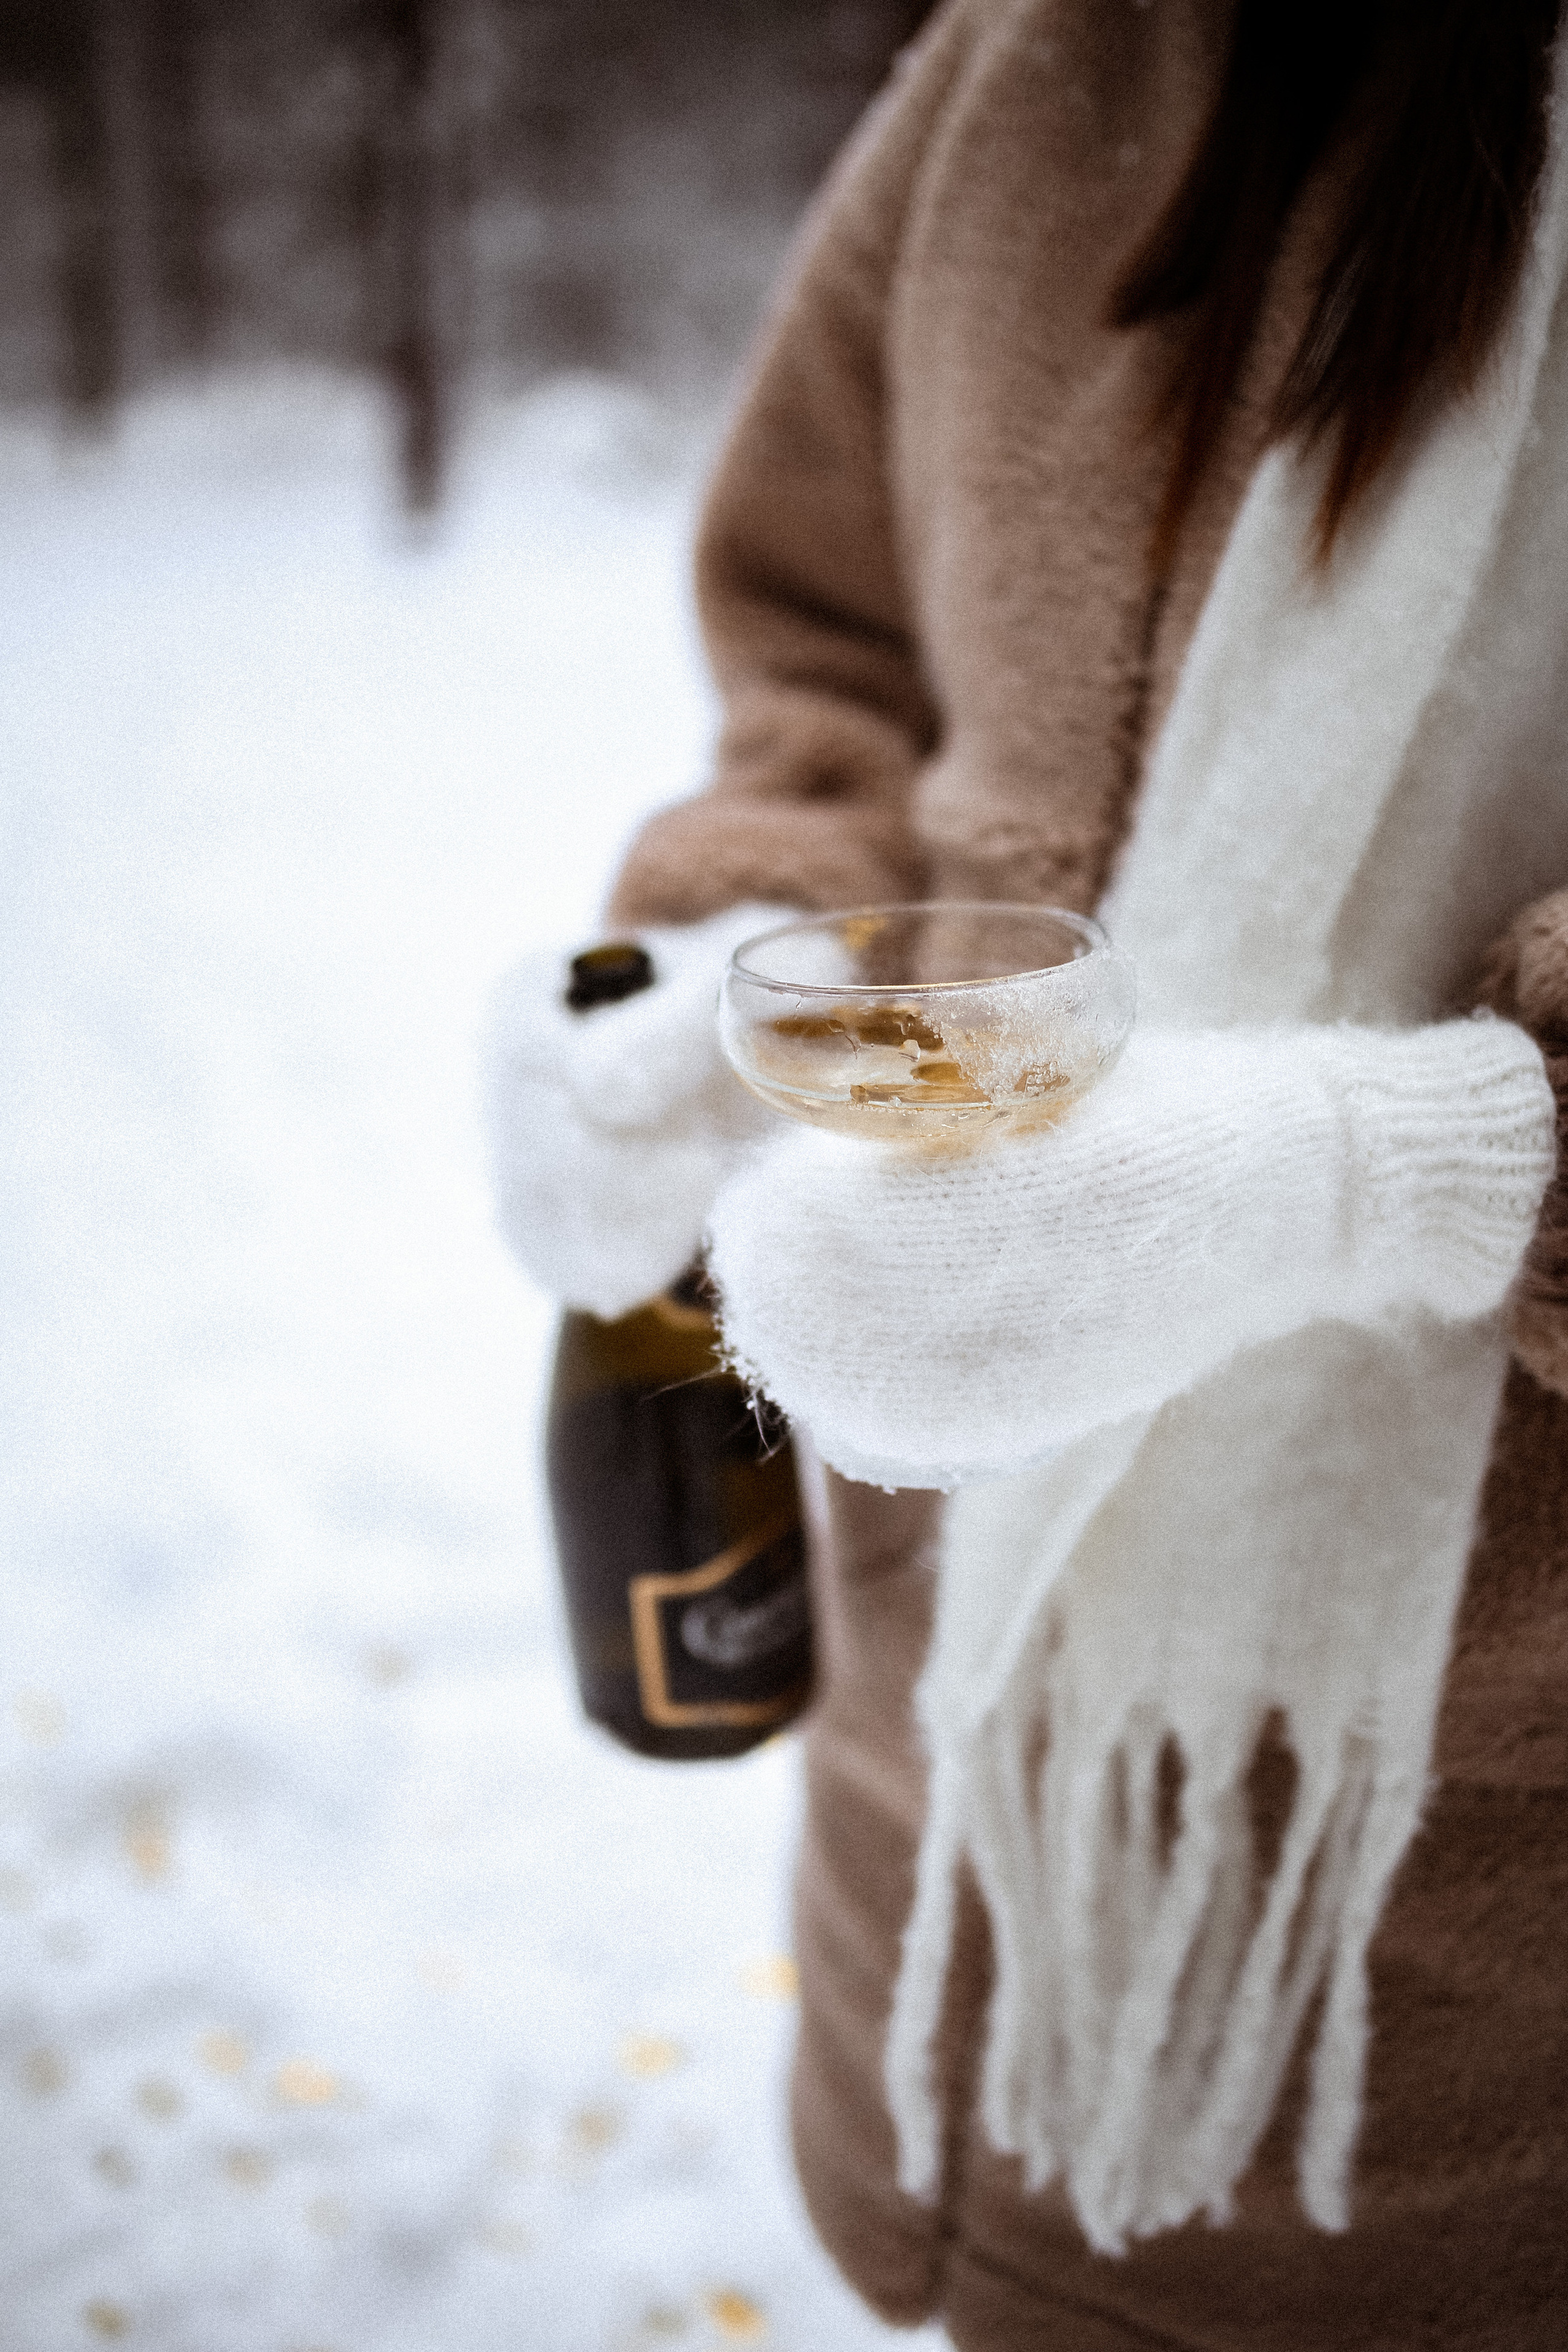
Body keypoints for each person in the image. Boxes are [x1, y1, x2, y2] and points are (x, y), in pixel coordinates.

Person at [483, 4, 1568, 2343]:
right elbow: (829, 639)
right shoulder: (1037, 59)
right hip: (952, 1802)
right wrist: (722, 959)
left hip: (1476, 1982)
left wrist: (1379, 1170)